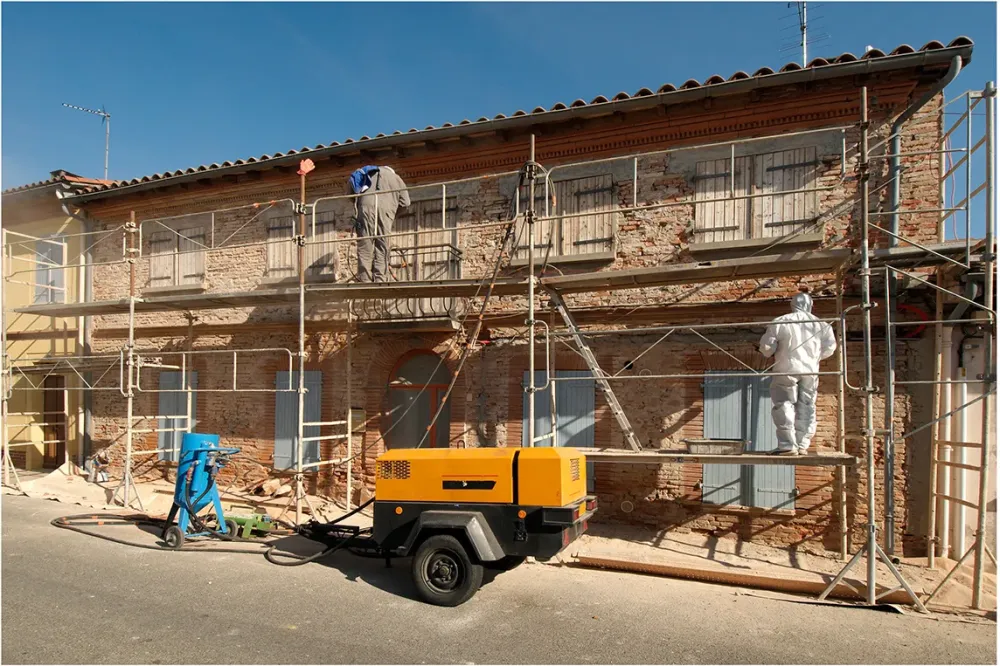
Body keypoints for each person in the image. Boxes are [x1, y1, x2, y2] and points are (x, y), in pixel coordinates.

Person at [758, 291, 837, 456]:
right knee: (807, 405)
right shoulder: (822, 324)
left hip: (786, 368)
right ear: (810, 305)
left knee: (784, 404)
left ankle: (787, 445)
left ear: (792, 305)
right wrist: (814, 358)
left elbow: (766, 348)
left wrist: (773, 352)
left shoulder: (781, 321)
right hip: (810, 370)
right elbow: (830, 348)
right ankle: (802, 445)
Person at [349, 165, 410, 283]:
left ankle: (365, 280)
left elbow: (350, 190)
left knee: (365, 245)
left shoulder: (365, 172)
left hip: (365, 210)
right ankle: (380, 279)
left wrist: (359, 204)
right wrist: (392, 215)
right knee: (382, 246)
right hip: (386, 212)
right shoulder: (396, 179)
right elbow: (406, 203)